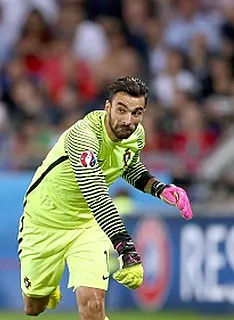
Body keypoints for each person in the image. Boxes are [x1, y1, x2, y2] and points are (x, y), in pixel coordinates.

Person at [18, 76, 193, 320]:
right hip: (44, 221)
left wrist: (160, 189)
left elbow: (128, 166)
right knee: (33, 307)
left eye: (136, 113)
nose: (128, 120)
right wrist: (127, 248)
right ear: (107, 108)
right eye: (121, 110)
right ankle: (47, 287)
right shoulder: (83, 135)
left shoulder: (136, 135)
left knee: (93, 307)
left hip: (87, 225)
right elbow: (97, 195)